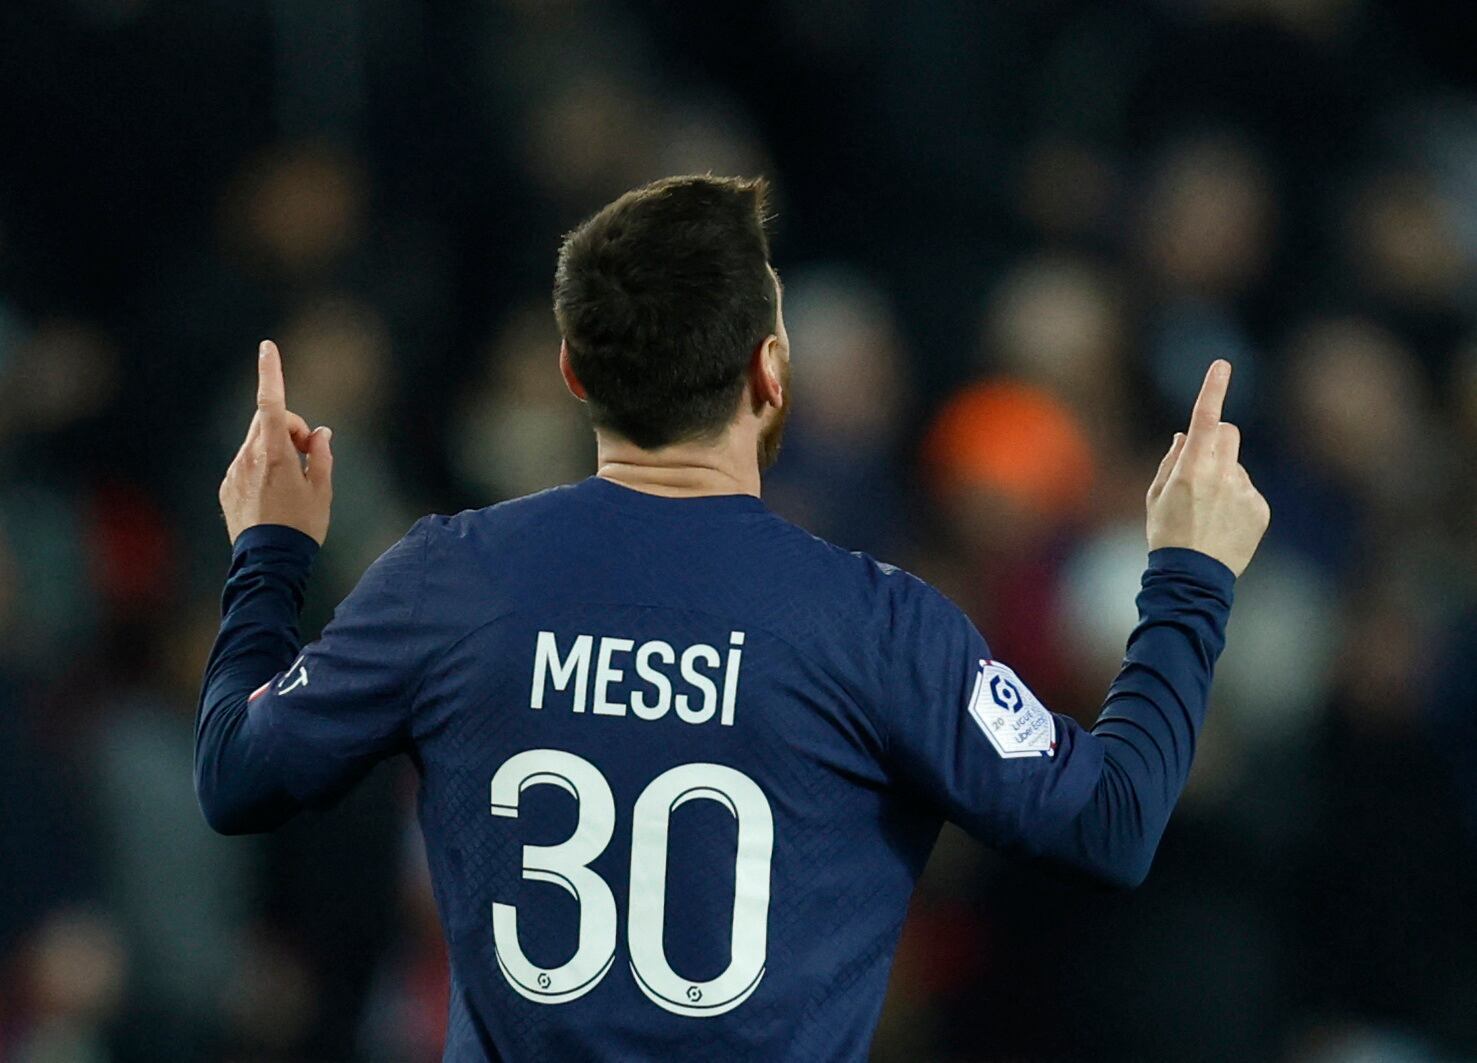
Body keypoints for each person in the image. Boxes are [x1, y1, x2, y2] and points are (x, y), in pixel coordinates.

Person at [197, 174, 1270, 1060]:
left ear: (575, 372)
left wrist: (271, 552)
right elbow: (1114, 822)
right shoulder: (876, 624)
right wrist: (1186, 574)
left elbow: (237, 772)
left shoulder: (446, 581)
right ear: (768, 371)